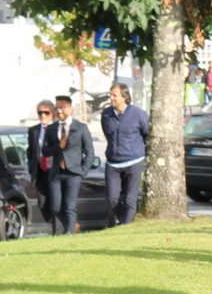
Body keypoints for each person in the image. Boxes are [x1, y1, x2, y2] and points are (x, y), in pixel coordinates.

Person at [41, 94, 94, 235]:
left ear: (70, 108)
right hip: (56, 173)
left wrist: (82, 171)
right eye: (57, 108)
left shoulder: (80, 128)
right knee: (56, 206)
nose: (59, 111)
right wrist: (59, 146)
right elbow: (45, 151)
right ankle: (58, 235)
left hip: (74, 172)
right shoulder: (52, 128)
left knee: (70, 206)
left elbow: (89, 152)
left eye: (62, 107)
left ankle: (70, 234)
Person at [99, 82, 150, 226]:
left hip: (133, 161)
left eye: (114, 95)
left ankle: (126, 227)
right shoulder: (106, 114)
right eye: (111, 95)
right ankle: (121, 221)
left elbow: (147, 134)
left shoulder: (138, 114)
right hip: (113, 162)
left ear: (124, 97)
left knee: (129, 199)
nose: (111, 98)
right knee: (112, 198)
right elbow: (108, 133)